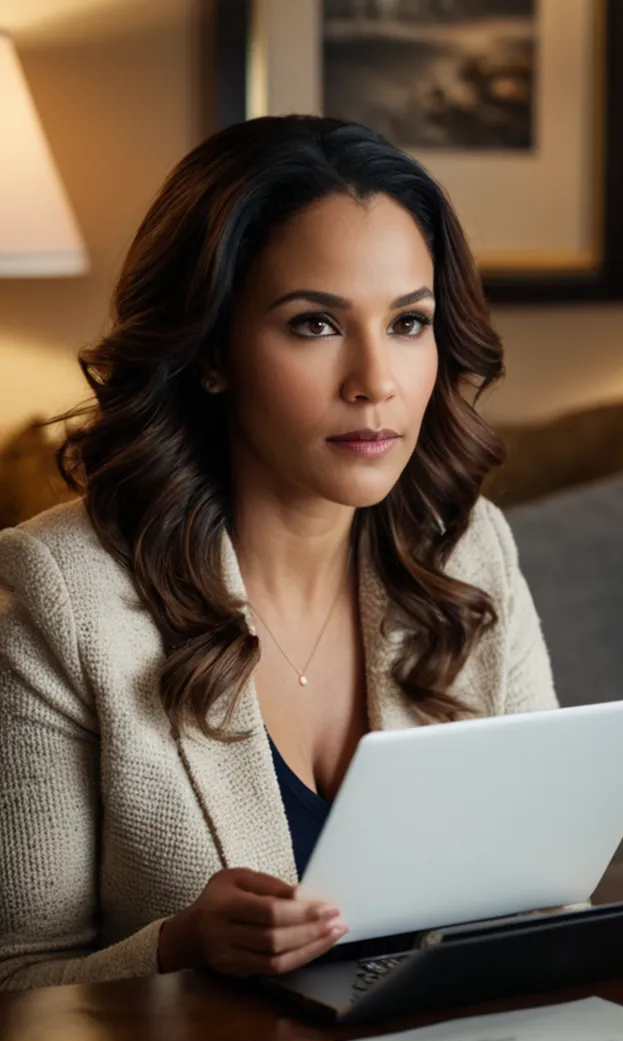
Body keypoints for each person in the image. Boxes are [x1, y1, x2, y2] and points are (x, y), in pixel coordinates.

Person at [0, 114, 558, 991]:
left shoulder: (468, 546)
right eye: (315, 325)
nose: (375, 380)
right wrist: (180, 947)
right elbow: (18, 979)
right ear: (214, 351)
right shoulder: (62, 592)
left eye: (408, 323)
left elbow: (548, 898)